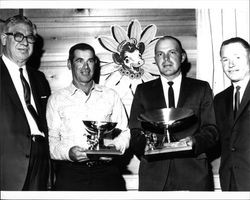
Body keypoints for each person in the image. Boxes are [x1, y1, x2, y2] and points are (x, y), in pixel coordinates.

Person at [129, 36, 218, 191]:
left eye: (172, 52)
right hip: (154, 178)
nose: (166, 59)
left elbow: (212, 130)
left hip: (194, 175)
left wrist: (194, 142)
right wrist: (150, 146)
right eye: (160, 54)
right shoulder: (143, 91)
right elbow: (135, 132)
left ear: (182, 57)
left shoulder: (201, 88)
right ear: (155, 60)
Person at [46, 43, 130, 191]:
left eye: (90, 61)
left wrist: (113, 149)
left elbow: (125, 132)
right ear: (69, 64)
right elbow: (51, 141)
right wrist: (69, 153)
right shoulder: (56, 99)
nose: (86, 67)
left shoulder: (110, 95)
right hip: (70, 175)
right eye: (79, 61)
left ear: (95, 64)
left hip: (107, 174)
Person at [0, 15, 51, 190]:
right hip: (8, 164)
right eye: (18, 36)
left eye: (30, 38)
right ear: (4, 38)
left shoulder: (40, 79)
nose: (25, 42)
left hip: (41, 161)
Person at [214, 37, 250, 191]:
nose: (231, 64)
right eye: (225, 59)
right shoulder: (219, 99)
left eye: (237, 57)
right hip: (230, 182)